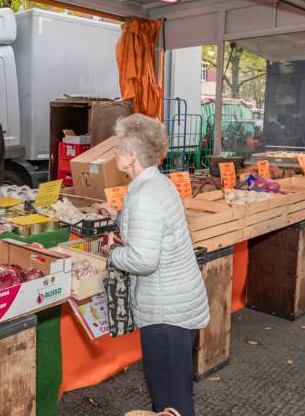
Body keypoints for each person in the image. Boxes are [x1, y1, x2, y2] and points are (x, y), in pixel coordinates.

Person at [99, 114, 209, 416]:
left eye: (119, 148)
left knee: (171, 402)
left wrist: (111, 252)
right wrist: (119, 217)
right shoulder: (159, 183)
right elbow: (155, 228)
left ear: (131, 156)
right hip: (179, 302)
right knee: (173, 391)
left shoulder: (144, 195)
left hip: (165, 312)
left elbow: (143, 260)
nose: (115, 153)